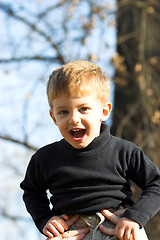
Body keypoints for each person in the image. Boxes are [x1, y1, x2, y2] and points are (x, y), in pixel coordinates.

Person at [20, 61, 160, 240]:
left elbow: (156, 183)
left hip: (118, 227)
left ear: (104, 111)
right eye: (63, 112)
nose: (74, 119)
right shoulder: (45, 159)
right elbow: (31, 191)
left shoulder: (124, 151)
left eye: (83, 109)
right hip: (69, 232)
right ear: (53, 116)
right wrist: (44, 219)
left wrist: (135, 218)